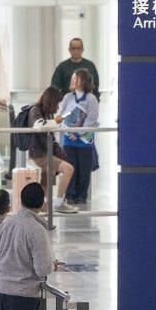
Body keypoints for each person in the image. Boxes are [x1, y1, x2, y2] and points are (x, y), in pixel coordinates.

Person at [17, 87, 72, 205]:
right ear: (51, 101)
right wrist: (55, 122)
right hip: (39, 153)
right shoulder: (35, 110)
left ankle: (44, 206)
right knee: (68, 169)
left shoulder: (48, 114)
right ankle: (58, 202)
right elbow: (39, 126)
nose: (58, 107)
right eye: (57, 103)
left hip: (46, 152)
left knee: (46, 182)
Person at [58, 68, 98, 209]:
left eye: (77, 78)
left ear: (84, 81)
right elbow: (61, 115)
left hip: (84, 141)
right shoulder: (68, 97)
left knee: (84, 170)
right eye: (73, 78)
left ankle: (81, 196)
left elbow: (92, 119)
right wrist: (67, 130)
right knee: (71, 168)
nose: (74, 81)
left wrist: (78, 133)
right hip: (69, 140)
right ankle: (70, 195)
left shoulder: (91, 99)